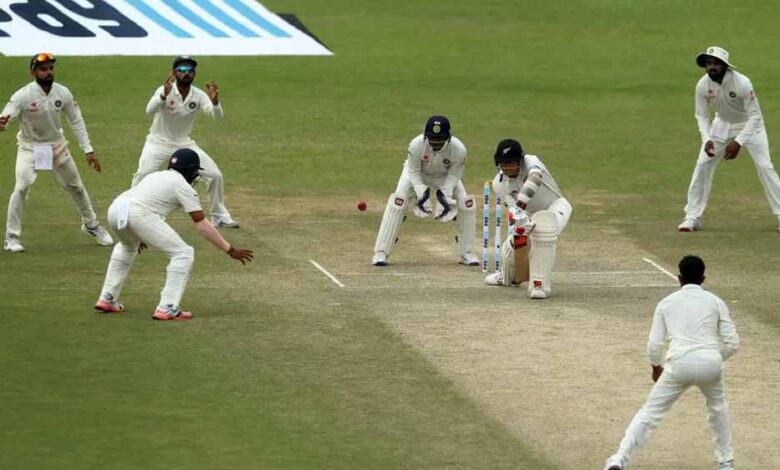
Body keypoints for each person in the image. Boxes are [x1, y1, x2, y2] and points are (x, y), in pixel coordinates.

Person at [603, 255, 739, 470]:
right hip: (711, 363)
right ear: (703, 278)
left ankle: (619, 459)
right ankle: (726, 463)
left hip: (679, 363)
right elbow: (733, 343)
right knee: (718, 409)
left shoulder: (666, 303)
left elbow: (654, 343)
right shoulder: (716, 301)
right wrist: (711, 357)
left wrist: (656, 367)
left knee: (649, 412)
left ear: (679, 278)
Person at [94, 148, 253, 320]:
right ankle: (167, 307)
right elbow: (202, 224)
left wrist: (137, 233)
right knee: (183, 253)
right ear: (191, 171)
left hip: (116, 208)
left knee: (127, 247)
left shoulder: (156, 175)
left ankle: (107, 298)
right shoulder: (183, 186)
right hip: (138, 213)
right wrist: (229, 250)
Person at [0, 52, 113, 252]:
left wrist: (88, 149)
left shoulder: (63, 93)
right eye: (43, 69)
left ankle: (91, 225)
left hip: (56, 147)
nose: (48, 72)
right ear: (33, 72)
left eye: (51, 68)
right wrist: (3, 122)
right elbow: (6, 116)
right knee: (21, 188)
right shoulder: (22, 96)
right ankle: (11, 237)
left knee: (77, 188)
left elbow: (76, 120)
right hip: (30, 148)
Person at [679, 46, 780, 232]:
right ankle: (692, 217)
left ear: (725, 66)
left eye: (716, 64)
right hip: (722, 123)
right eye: (709, 63)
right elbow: (701, 115)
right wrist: (706, 139)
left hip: (750, 125)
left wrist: (738, 142)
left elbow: (755, 116)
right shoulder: (702, 85)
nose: (712, 67)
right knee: (703, 164)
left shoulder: (742, 83)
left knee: (765, 166)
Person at [131, 56, 239, 229]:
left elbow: (217, 116)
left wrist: (215, 102)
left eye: (189, 70)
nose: (186, 73)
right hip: (157, 143)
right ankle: (129, 210)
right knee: (143, 175)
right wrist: (163, 96)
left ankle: (219, 216)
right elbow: (149, 110)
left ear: (194, 73)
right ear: (174, 73)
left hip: (184, 144)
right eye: (181, 70)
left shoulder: (198, 94)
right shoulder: (164, 90)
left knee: (215, 175)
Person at [372, 115, 478, 266]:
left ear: (448, 137)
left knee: (466, 204)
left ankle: (467, 253)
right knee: (398, 201)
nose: (436, 144)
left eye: (440, 141)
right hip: (417, 174)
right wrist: (422, 194)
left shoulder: (459, 149)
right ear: (425, 136)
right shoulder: (416, 145)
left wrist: (445, 196)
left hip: (444, 176)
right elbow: (413, 172)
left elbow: (454, 175)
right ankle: (381, 252)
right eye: (432, 140)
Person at [484, 139, 572, 299]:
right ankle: (508, 276)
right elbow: (514, 210)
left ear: (520, 161)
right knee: (514, 243)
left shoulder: (531, 161)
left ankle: (539, 285)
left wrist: (520, 206)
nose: (508, 167)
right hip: (529, 214)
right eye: (504, 164)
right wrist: (521, 223)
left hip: (555, 206)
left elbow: (535, 179)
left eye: (512, 163)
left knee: (543, 229)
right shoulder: (498, 184)